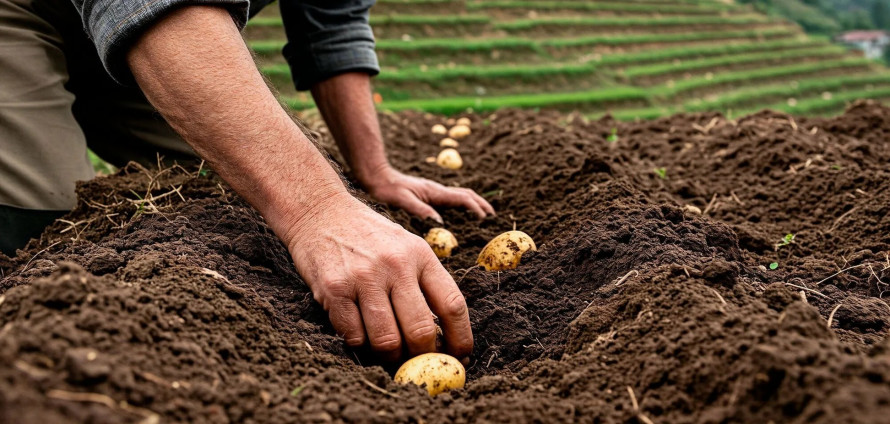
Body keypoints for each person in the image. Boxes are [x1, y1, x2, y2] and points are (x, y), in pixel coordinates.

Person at [0, 0, 495, 362]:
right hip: (25, 14)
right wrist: (318, 210)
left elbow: (331, 21)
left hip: (143, 31)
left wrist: (371, 173)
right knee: (50, 230)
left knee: (237, 196)